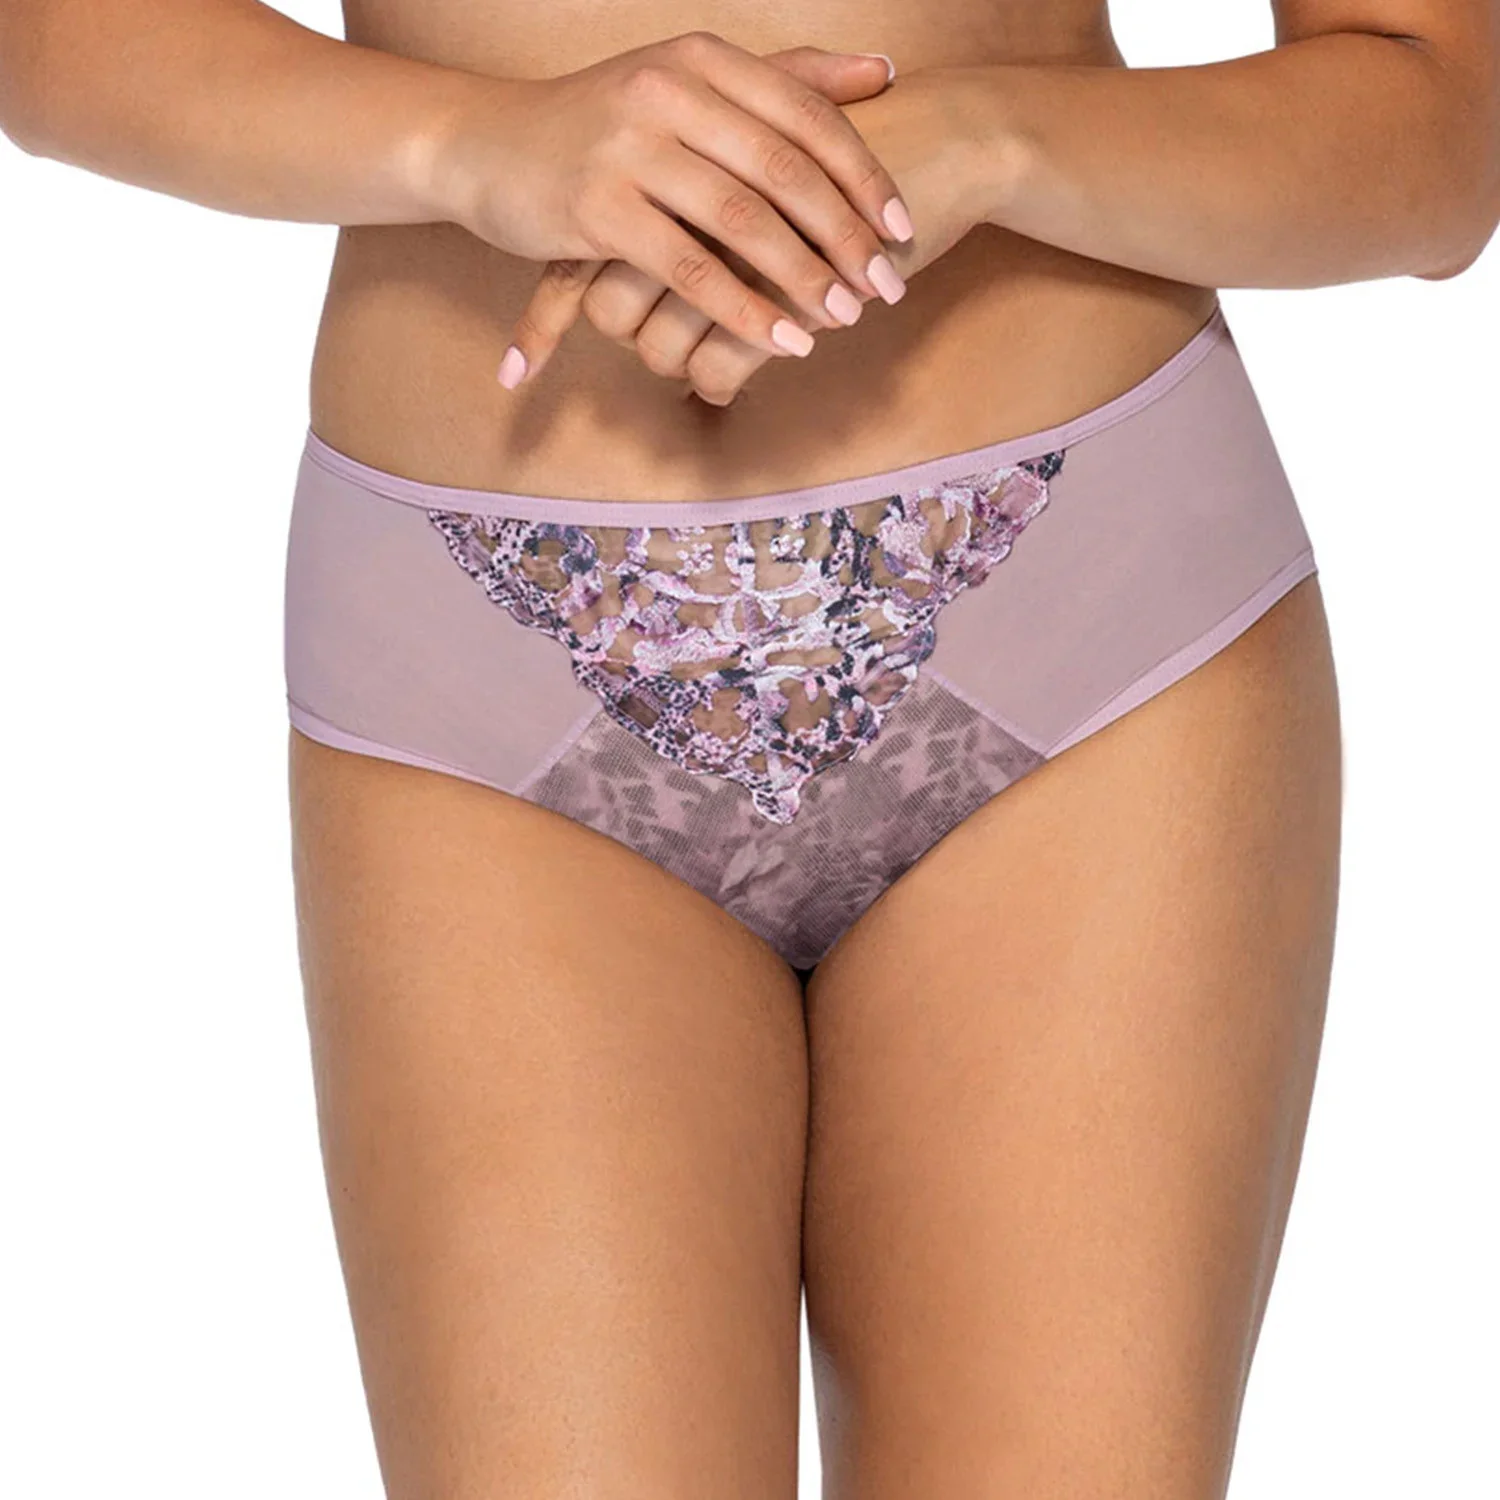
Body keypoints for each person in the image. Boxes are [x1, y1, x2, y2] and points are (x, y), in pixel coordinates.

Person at [2, 2, 1495, 1496]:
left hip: (1077, 597)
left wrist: (989, 138)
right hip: (483, 670)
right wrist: (471, 144)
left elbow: (1441, 125)